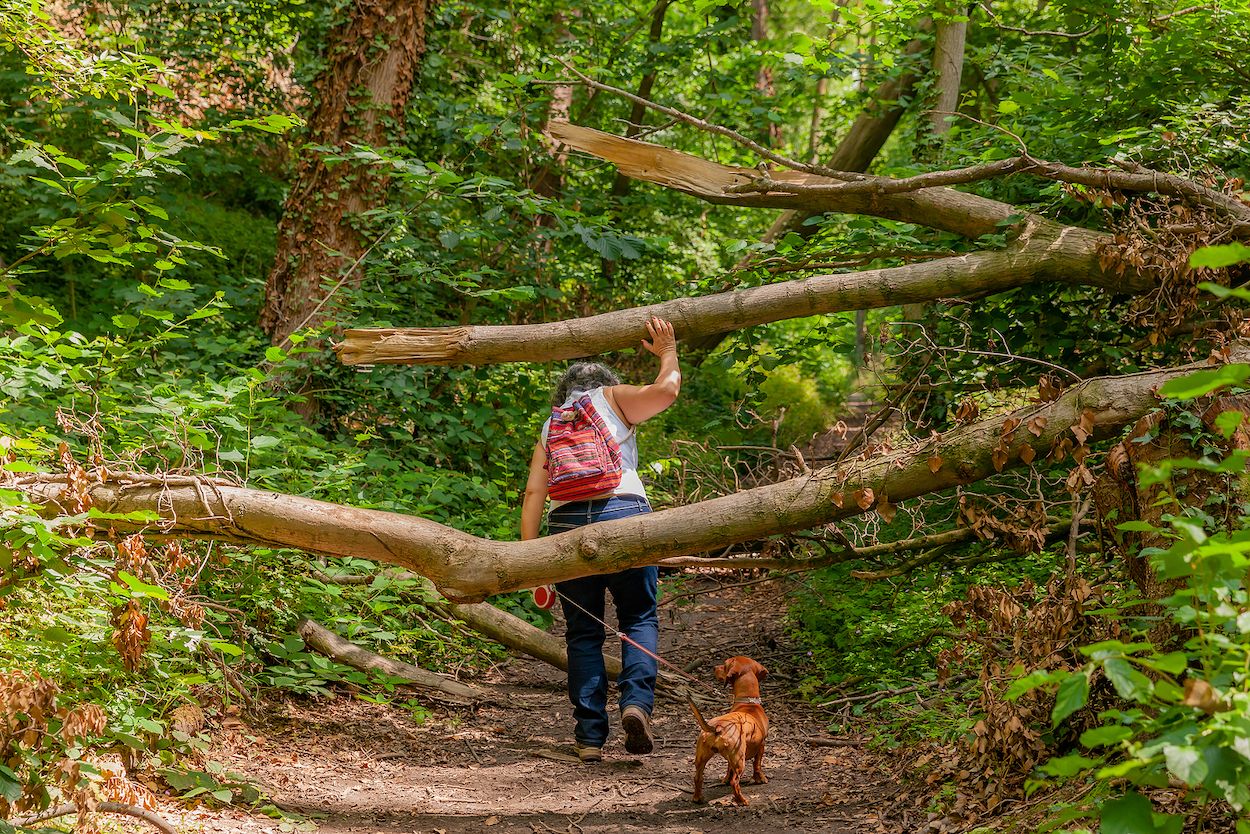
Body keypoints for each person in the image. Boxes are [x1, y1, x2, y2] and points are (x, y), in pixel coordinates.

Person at [520, 316, 681, 763]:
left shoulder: (552, 424)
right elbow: (666, 391)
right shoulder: (612, 399)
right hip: (624, 515)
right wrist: (668, 351)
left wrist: (533, 557)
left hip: (566, 526)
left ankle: (590, 736)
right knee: (639, 618)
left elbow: (535, 492)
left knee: (584, 634)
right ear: (607, 383)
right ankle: (635, 704)